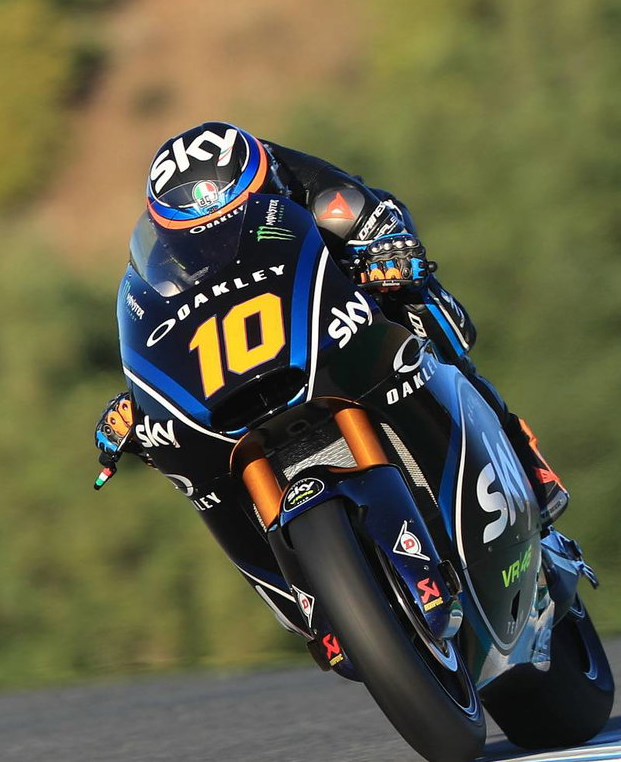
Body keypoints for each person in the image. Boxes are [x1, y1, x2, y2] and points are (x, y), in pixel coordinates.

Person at [93, 121, 568, 585]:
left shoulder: (324, 194)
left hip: (333, 298)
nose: (214, 244)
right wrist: (144, 402)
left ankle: (522, 454)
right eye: (198, 237)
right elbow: (162, 336)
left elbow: (388, 229)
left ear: (266, 186)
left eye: (231, 223)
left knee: (414, 300)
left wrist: (389, 257)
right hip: (257, 352)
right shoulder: (162, 260)